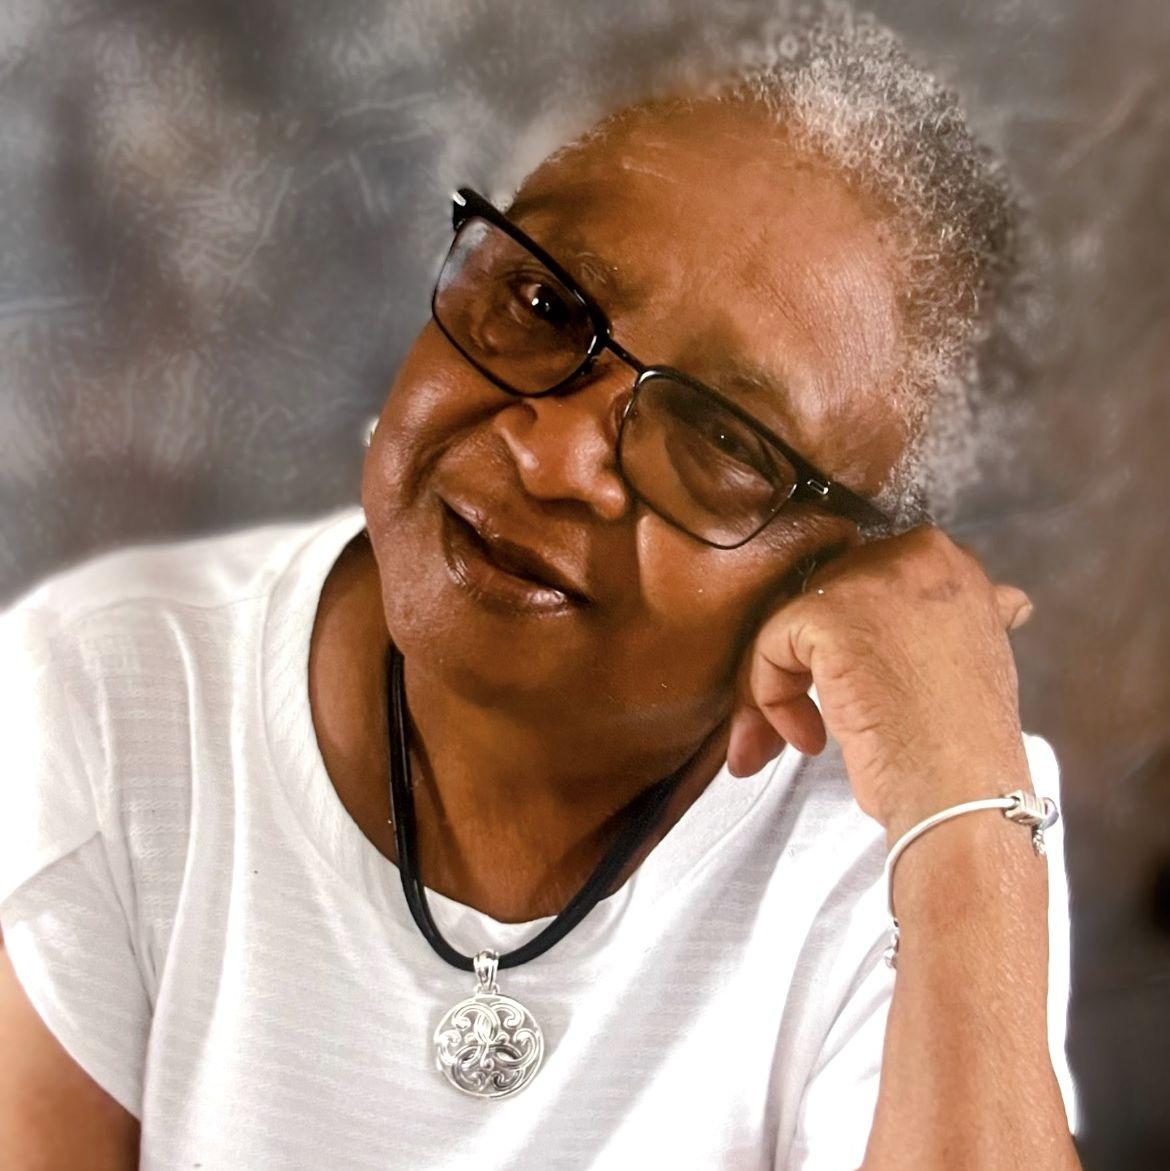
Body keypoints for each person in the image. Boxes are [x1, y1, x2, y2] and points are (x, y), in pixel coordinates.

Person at [0, 10, 1081, 1169]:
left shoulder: (918, 800)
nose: (554, 455)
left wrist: (967, 834)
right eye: (544, 305)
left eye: (721, 436)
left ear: (849, 562)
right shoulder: (111, 692)